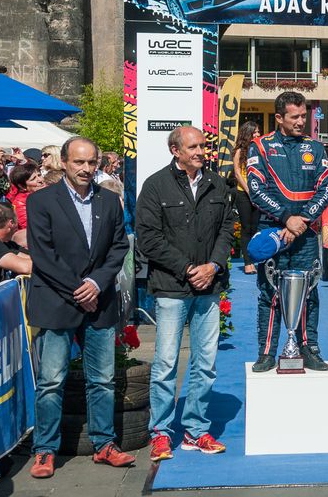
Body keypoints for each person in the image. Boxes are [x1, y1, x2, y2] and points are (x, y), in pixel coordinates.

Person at [26, 136, 133, 479]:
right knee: (51, 381)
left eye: (91, 163)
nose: (86, 169)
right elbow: (43, 254)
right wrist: (78, 287)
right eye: (79, 162)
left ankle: (104, 444)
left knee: (102, 380)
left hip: (99, 303)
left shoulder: (109, 200)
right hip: (58, 301)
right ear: (65, 162)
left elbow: (119, 248)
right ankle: (45, 450)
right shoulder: (42, 200)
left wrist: (96, 283)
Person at [136, 126, 236, 461]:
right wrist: (187, 269)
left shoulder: (217, 184)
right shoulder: (155, 185)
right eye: (193, 147)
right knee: (165, 362)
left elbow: (226, 230)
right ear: (174, 150)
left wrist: (214, 265)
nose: (201, 151)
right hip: (171, 288)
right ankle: (161, 433)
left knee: (205, 364)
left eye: (203, 146)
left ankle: (195, 430)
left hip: (209, 287)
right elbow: (148, 238)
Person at [248, 92, 328, 373]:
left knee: (309, 291)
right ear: (279, 118)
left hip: (306, 234)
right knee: (269, 292)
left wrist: (304, 219)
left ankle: (309, 348)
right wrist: (286, 219)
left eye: (303, 116)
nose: (301, 121)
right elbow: (256, 190)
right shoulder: (260, 147)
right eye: (294, 117)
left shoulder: (316, 148)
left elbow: (326, 188)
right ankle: (267, 352)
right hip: (273, 231)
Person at [231, 120, 262, 275]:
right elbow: (237, 173)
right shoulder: (239, 151)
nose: (257, 134)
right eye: (254, 132)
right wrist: (250, 191)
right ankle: (247, 263)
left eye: (258, 132)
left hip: (258, 193)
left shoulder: (260, 149)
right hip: (243, 193)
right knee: (246, 228)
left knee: (256, 228)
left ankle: (255, 260)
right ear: (247, 133)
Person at [9, 161, 45, 230]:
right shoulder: (20, 203)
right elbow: (29, 227)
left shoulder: (49, 191)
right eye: (33, 179)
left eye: (39, 175)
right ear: (22, 186)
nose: (40, 180)